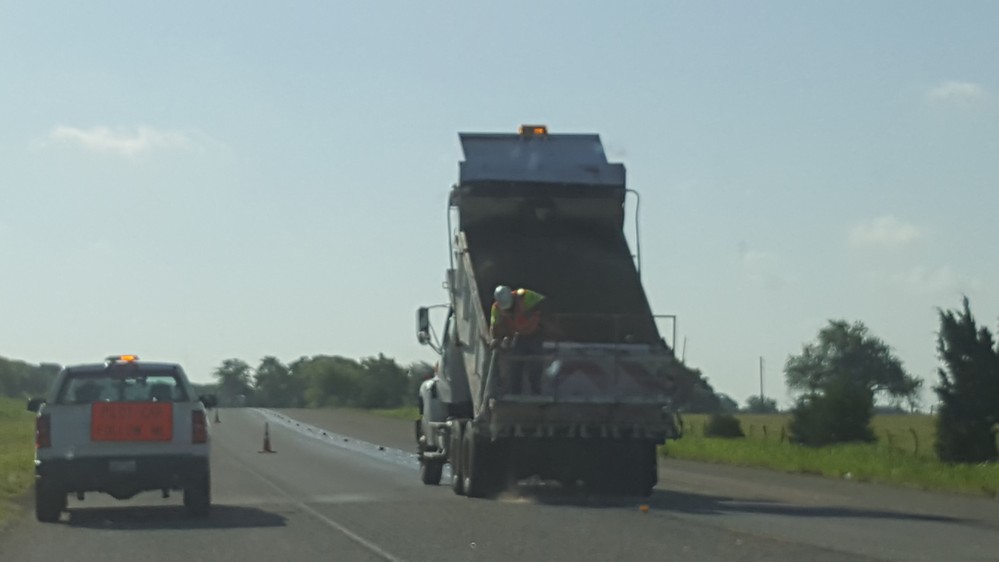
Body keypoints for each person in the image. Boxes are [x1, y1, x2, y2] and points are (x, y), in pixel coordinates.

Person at [490, 285, 546, 395]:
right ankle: (515, 394)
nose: (510, 310)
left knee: (535, 365)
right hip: (519, 336)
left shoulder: (524, 296)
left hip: (535, 334)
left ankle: (537, 394)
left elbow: (544, 302)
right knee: (515, 366)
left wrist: (531, 311)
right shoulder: (496, 308)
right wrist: (495, 340)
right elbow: (495, 326)